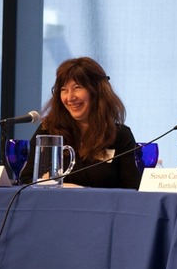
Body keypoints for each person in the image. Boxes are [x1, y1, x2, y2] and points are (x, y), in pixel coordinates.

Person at [21, 56, 142, 189]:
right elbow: (27, 180)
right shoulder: (48, 130)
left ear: (96, 91)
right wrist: (66, 187)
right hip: (56, 208)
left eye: (77, 87)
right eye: (63, 90)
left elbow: (132, 189)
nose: (70, 97)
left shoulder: (120, 135)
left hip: (103, 209)